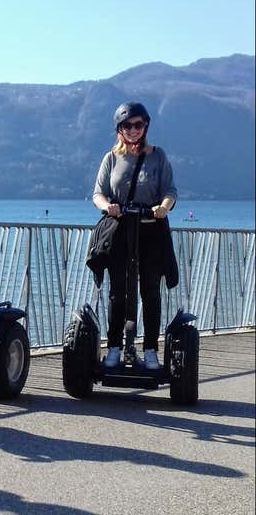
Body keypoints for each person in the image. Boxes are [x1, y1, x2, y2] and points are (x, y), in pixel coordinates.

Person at [93, 102, 177, 370]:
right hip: (120, 231)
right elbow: (98, 193)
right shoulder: (111, 158)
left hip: (151, 230)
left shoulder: (158, 156)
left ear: (146, 126)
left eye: (138, 124)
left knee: (150, 291)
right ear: (119, 129)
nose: (133, 130)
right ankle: (115, 347)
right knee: (118, 292)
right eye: (127, 125)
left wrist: (163, 207)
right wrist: (108, 206)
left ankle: (150, 349)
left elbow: (170, 190)